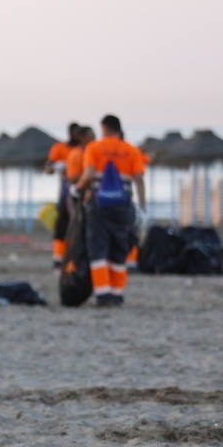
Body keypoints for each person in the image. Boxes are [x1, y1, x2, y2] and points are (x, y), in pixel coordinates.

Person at [74, 114, 147, 307]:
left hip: (99, 206)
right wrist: (143, 206)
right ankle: (117, 293)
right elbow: (139, 179)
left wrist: (78, 188)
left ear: (104, 128)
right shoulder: (131, 150)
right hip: (123, 207)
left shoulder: (94, 148)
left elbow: (89, 172)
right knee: (119, 250)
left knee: (98, 250)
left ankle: (103, 293)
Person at [48, 124, 82, 266]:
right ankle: (58, 257)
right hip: (65, 192)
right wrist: (59, 166)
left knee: (78, 225)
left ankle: (75, 255)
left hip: (81, 192)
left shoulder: (86, 150)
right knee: (62, 225)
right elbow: (48, 168)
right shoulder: (60, 148)